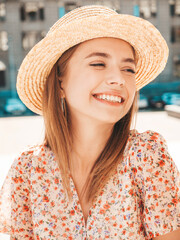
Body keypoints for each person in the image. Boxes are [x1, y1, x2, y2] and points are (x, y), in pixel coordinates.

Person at [0, 5, 179, 240]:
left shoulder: (147, 155)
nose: (119, 79)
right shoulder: (27, 171)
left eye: (128, 69)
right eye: (98, 64)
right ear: (60, 82)